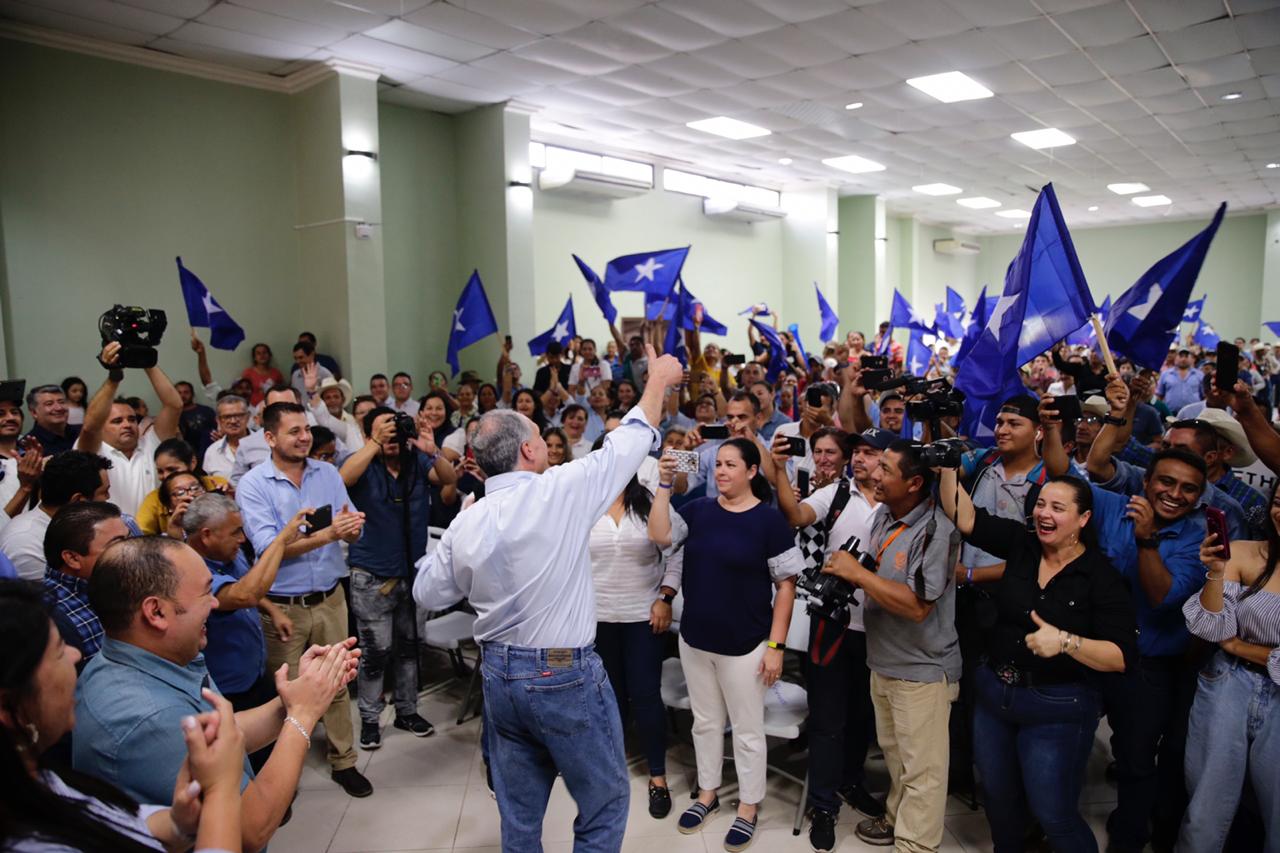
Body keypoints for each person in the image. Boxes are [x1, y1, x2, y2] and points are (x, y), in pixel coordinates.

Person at [413, 342, 683, 852]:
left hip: (497, 675)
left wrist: (463, 549)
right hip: (561, 675)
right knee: (603, 805)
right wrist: (657, 380)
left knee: (519, 815)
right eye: (539, 435)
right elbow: (629, 442)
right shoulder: (560, 490)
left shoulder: (468, 518)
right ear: (530, 451)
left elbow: (427, 589)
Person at [73, 536, 359, 851]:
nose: (214, 604)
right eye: (207, 592)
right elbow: (252, 828)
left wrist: (296, 698)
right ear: (156, 612)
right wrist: (303, 715)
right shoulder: (145, 719)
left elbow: (223, 737)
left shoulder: (153, 656)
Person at [939, 469, 1136, 852]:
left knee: (1053, 814)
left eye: (1058, 508)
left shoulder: (1100, 576)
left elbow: (1121, 657)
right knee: (999, 800)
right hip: (995, 695)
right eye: (1041, 504)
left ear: (1083, 519)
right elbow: (966, 518)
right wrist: (947, 466)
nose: (1044, 514)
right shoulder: (1022, 543)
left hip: (1057, 707)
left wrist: (1067, 642)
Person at [0, 579, 245, 853]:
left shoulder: (38, 781)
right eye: (58, 651)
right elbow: (253, 830)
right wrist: (221, 790)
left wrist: (178, 823)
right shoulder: (146, 715)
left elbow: (113, 823)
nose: (75, 654)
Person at [649, 438, 802, 851]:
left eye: (731, 465)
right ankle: (707, 794)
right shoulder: (698, 511)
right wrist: (665, 485)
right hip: (696, 639)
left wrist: (776, 645)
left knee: (748, 731)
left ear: (752, 471)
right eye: (717, 464)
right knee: (705, 722)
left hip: (746, 643)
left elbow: (786, 586)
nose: (720, 471)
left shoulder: (768, 522)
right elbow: (659, 534)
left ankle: (749, 806)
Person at [821, 440, 960, 851]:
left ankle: (915, 845)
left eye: (885, 470)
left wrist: (859, 577)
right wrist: (850, 575)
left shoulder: (936, 529)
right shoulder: (885, 514)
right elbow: (881, 572)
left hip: (922, 668)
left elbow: (918, 607)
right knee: (896, 757)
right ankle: (896, 818)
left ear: (915, 482)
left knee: (923, 770)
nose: (874, 475)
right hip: (883, 660)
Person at [235, 401, 370, 798]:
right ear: (270, 438)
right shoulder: (255, 484)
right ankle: (282, 781)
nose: (304, 437)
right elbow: (267, 549)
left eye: (306, 429)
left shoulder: (327, 472)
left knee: (338, 684)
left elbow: (352, 525)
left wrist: (351, 530)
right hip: (284, 606)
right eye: (294, 431)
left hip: (331, 597)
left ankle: (344, 761)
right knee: (286, 695)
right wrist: (328, 535)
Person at [767, 427, 892, 852]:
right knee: (827, 720)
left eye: (869, 453)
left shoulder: (903, 502)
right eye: (855, 452)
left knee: (862, 717)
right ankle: (822, 804)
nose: (859, 459)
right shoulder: (837, 494)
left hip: (882, 629)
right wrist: (780, 470)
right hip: (834, 624)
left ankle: (850, 782)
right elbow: (796, 516)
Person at [340, 408, 456, 749]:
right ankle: (371, 719)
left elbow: (448, 478)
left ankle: (407, 711)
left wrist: (430, 449)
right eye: (382, 430)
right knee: (376, 653)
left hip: (411, 573)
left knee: (409, 649)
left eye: (395, 429)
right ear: (367, 435)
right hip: (372, 576)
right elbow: (345, 478)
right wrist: (374, 444)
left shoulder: (416, 462)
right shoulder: (362, 463)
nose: (392, 436)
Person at [1179, 485, 1280, 851]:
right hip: (1227, 681)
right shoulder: (1244, 552)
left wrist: (1241, 645)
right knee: (1205, 809)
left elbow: (1231, 637)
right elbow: (1212, 627)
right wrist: (1217, 572)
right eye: (1279, 503)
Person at [588, 441, 682, 820]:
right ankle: (606, 773)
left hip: (643, 617)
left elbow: (675, 553)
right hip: (595, 619)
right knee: (606, 697)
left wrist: (665, 596)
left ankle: (657, 777)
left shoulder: (650, 503)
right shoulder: (584, 504)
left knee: (645, 696)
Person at [183, 493, 303, 770]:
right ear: (206, 535)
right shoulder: (193, 571)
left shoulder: (227, 554)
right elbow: (244, 594)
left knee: (269, 747)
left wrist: (273, 610)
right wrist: (281, 541)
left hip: (253, 674)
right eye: (235, 532)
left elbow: (247, 583)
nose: (242, 539)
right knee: (243, 763)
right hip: (226, 692)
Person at [76, 343, 183, 517]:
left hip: (153, 536)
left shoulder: (151, 443)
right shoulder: (94, 452)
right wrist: (114, 378)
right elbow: (90, 427)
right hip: (111, 536)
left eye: (132, 419)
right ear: (102, 427)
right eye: (117, 421)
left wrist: (148, 362)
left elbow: (174, 405)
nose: (127, 425)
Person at [0, 451, 112, 581]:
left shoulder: (71, 525)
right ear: (78, 501)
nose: (108, 498)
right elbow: (53, 598)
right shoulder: (25, 542)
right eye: (104, 492)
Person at [42, 501, 131, 662]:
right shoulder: (52, 619)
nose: (132, 550)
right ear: (73, 558)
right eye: (118, 544)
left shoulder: (118, 582)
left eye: (129, 538)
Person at [135, 438, 229, 536]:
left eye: (172, 469)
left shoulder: (216, 484)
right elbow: (140, 536)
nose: (166, 476)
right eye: (160, 471)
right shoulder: (154, 499)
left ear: (192, 463)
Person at [204, 394, 251, 481]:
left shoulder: (266, 444)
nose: (233, 421)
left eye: (239, 415)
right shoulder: (212, 452)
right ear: (218, 420)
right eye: (227, 417)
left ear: (248, 417)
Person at [23, 383, 80, 455]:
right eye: (49, 404)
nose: (59, 408)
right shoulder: (29, 444)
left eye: (62, 402)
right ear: (34, 412)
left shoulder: (81, 433)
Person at [175, 380, 217, 460]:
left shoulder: (207, 411)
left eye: (186, 392)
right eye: (179, 393)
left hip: (211, 455)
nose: (182, 395)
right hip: (187, 458)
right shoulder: (173, 416)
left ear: (192, 394)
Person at [1156, 347, 1203, 414]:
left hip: (1194, 415)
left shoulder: (1199, 375)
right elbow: (1159, 396)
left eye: (1186, 356)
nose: (1183, 359)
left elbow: (1204, 396)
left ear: (1191, 358)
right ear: (1176, 357)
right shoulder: (1165, 374)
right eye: (1181, 356)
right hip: (1170, 414)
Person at [242, 342, 284, 406]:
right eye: (258, 353)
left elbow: (282, 391)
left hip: (273, 406)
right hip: (254, 407)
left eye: (264, 352)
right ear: (254, 357)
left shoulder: (276, 373)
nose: (262, 355)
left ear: (269, 355)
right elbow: (243, 392)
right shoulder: (248, 373)